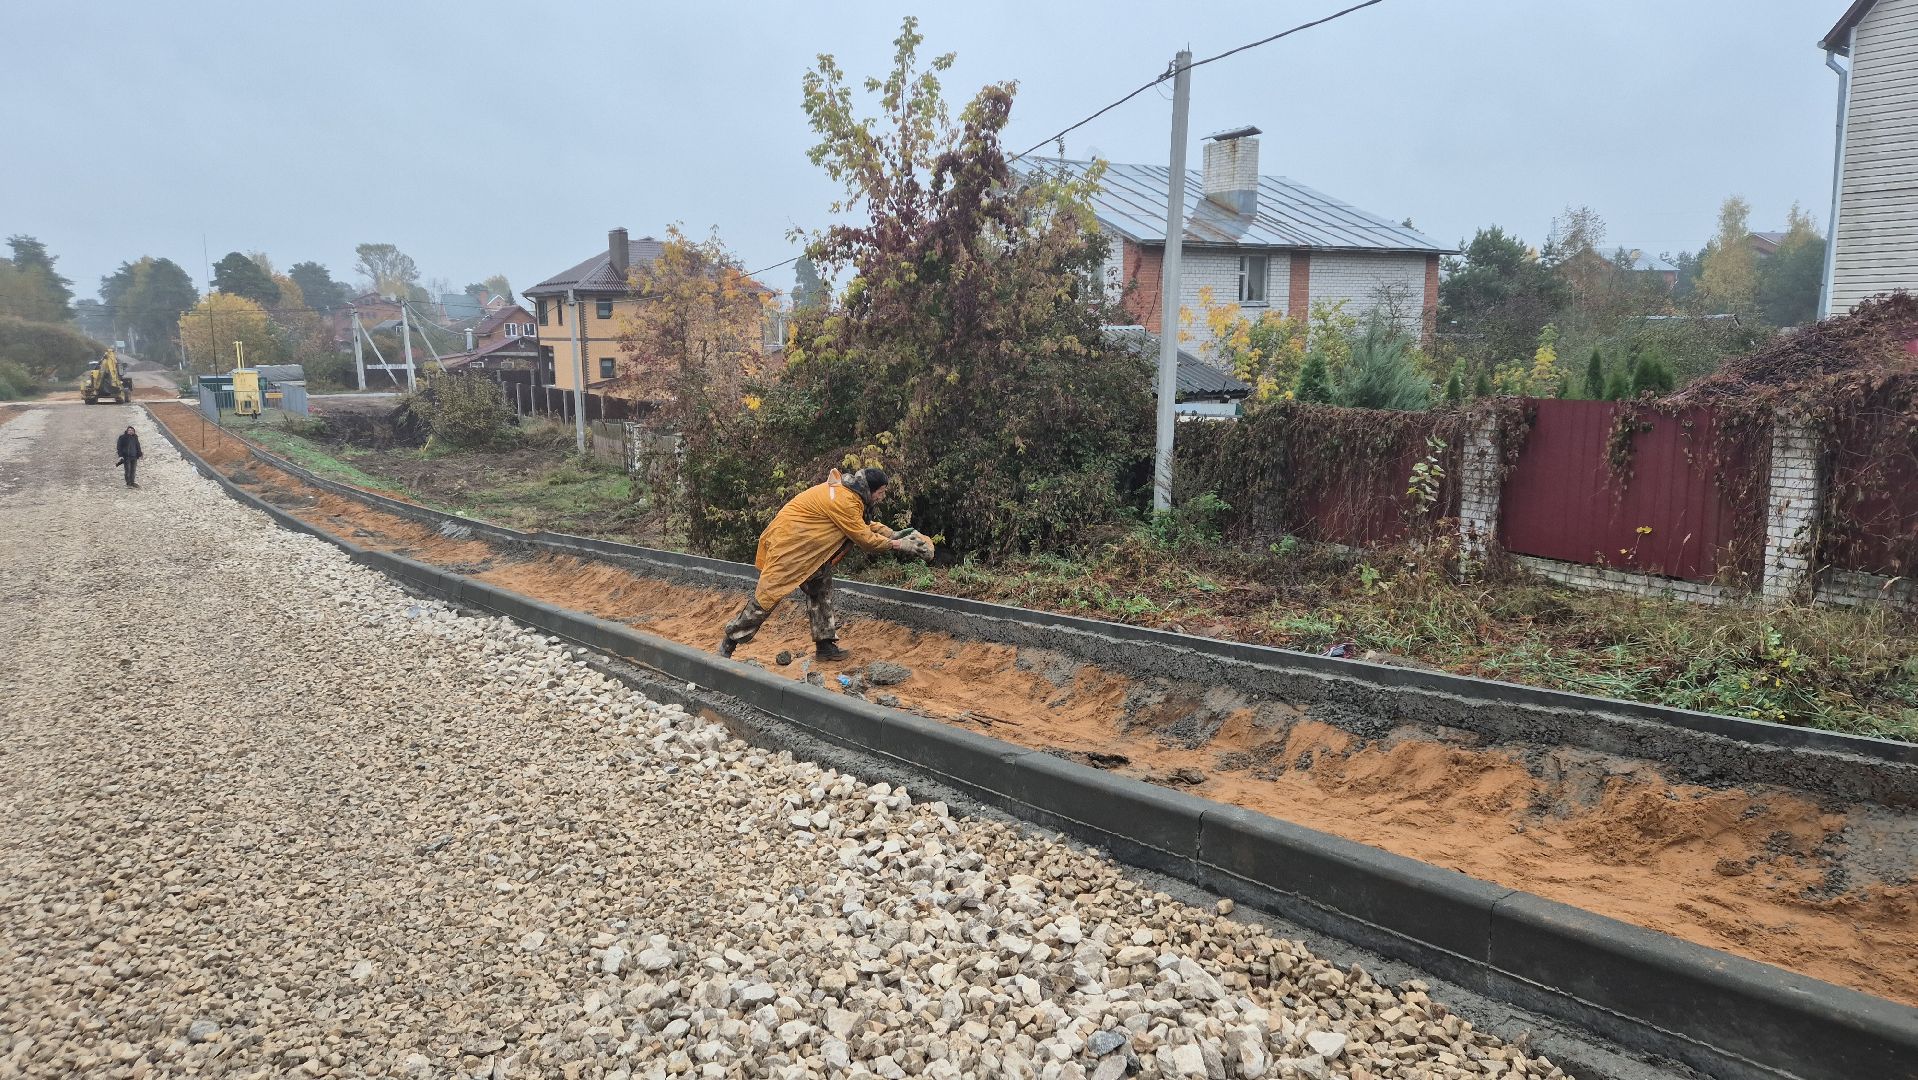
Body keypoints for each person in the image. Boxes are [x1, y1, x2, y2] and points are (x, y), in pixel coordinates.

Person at [721, 467, 931, 662]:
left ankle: (825, 646)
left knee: (820, 588)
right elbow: (865, 539)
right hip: (791, 547)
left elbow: (863, 524)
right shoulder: (844, 500)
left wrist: (894, 534)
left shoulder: (850, 495)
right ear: (870, 489)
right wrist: (899, 544)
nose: (882, 497)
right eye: (881, 492)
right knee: (767, 598)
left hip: (810, 550)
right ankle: (730, 641)